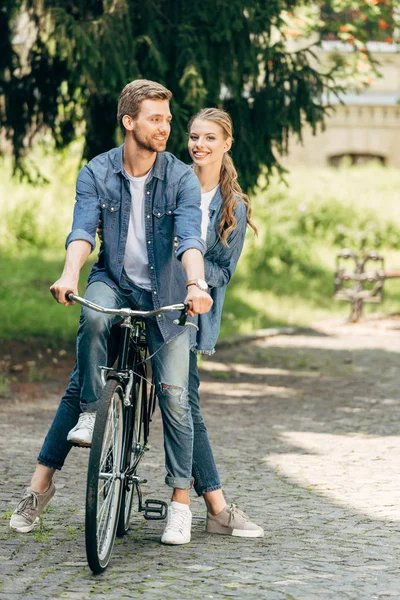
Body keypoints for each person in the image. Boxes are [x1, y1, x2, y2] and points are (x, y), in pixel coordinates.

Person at [10, 79, 213, 545]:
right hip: (113, 280)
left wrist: (196, 284)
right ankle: (87, 418)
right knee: (94, 323)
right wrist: (68, 274)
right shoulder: (98, 171)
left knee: (176, 395)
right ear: (129, 121)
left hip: (167, 293)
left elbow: (189, 239)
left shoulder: (179, 176)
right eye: (155, 119)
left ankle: (180, 504)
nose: (165, 128)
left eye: (167, 118)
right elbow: (82, 229)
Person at [165, 108, 263, 540]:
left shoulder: (233, 207)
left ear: (226, 144)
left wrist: (198, 278)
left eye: (209, 138)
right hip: (152, 301)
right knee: (184, 405)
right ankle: (217, 507)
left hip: (191, 314)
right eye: (193, 137)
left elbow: (225, 270)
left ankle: (208, 506)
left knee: (184, 404)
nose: (199, 145)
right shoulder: (170, 184)